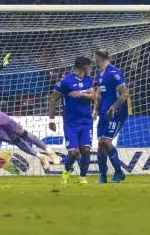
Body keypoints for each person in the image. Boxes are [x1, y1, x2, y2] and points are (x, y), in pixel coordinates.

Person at [49, 56, 95, 185]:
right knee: (74, 152)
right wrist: (51, 121)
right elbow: (52, 100)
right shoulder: (65, 81)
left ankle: (82, 177)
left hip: (86, 121)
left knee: (85, 149)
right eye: (89, 66)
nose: (90, 68)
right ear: (84, 67)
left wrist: (81, 94)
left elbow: (94, 95)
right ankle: (65, 172)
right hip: (71, 122)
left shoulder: (88, 79)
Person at [93, 49, 129, 184]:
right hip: (103, 112)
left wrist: (113, 107)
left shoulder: (114, 72)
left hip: (116, 112)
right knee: (100, 144)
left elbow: (125, 94)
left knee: (107, 142)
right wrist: (95, 109)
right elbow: (98, 92)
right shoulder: (99, 73)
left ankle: (118, 172)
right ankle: (103, 175)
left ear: (98, 58)